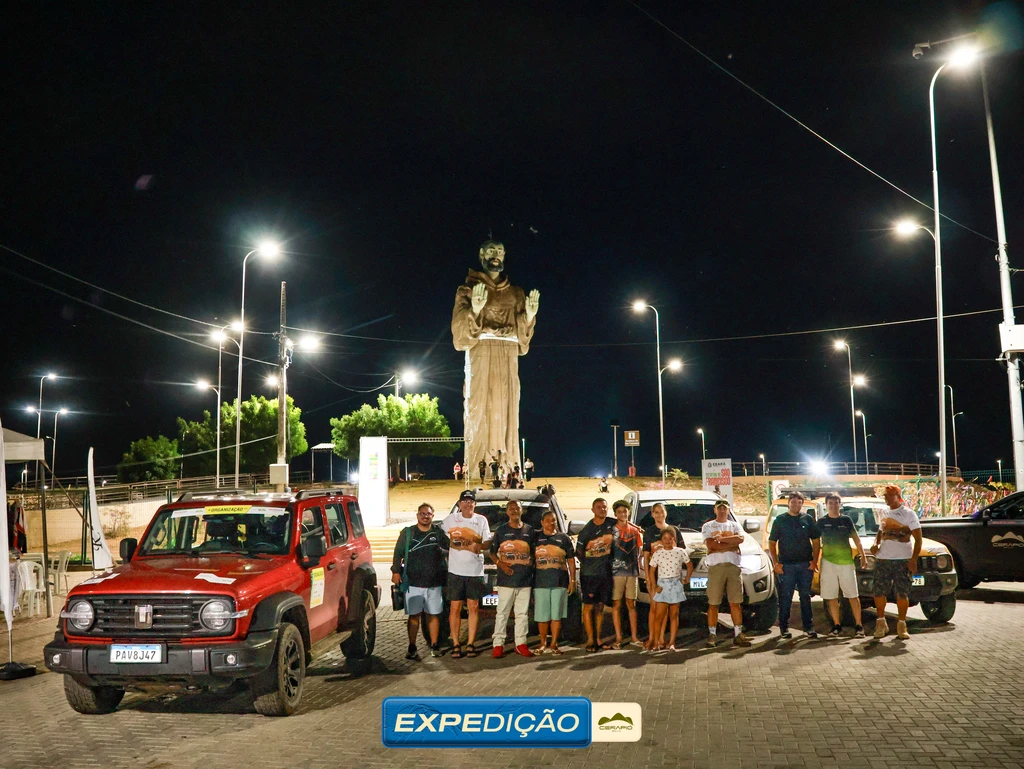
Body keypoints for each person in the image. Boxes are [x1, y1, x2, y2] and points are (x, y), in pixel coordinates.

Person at [451, 239, 540, 479]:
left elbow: (523, 343)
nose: (496, 255)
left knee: (508, 408)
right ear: (481, 254)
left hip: (509, 355)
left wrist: (529, 317)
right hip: (480, 353)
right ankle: (478, 467)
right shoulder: (467, 289)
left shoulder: (516, 293)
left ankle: (509, 467)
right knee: (479, 406)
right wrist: (476, 311)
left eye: (500, 251)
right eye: (491, 251)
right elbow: (459, 336)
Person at [391, 503, 449, 660]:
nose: (425, 516)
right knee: (414, 616)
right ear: (417, 515)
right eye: (422, 514)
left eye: (428, 514)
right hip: (413, 583)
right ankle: (412, 646)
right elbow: (398, 553)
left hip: (434, 583)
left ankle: (434, 645)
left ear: (433, 516)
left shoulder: (438, 533)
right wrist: (396, 571)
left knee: (434, 615)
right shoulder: (408, 533)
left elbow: (451, 547)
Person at [440, 489, 492, 658]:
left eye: (471, 501)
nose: (468, 504)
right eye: (465, 501)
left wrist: (481, 547)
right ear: (459, 504)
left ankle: (470, 643)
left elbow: (488, 541)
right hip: (455, 571)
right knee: (455, 608)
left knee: (473, 607)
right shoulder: (451, 519)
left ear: (474, 504)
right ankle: (456, 644)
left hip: (475, 571)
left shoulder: (481, 520)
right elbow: (439, 534)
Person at [870, 484, 922, 640]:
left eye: (888, 495)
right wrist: (875, 544)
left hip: (902, 559)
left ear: (897, 496)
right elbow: (881, 531)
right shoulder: (885, 512)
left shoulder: (909, 514)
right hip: (883, 558)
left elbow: (918, 538)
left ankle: (901, 624)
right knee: (879, 591)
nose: (885, 498)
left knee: (902, 592)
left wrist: (913, 559)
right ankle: (881, 623)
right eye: (884, 495)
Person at [768, 492, 822, 639]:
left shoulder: (808, 519)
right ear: (788, 503)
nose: (796, 505)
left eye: (799, 502)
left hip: (805, 565)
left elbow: (816, 541)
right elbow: (772, 543)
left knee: (805, 596)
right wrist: (776, 564)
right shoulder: (780, 520)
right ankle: (784, 627)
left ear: (802, 504)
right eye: (793, 502)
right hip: (786, 567)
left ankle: (808, 627)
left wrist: (814, 561)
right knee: (786, 597)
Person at [489, 500, 536, 658]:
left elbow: (535, 553)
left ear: (522, 511)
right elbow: (492, 553)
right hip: (506, 581)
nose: (515, 511)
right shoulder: (501, 531)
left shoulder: (530, 530)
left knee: (522, 614)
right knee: (502, 613)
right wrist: (500, 564)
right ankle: (498, 645)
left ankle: (521, 644)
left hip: (524, 581)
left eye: (517, 508)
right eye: (511, 509)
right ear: (507, 512)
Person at [701, 500, 751, 647]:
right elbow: (710, 544)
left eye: (725, 508)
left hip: (733, 567)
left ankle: (738, 633)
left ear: (729, 510)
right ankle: (712, 634)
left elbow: (740, 539)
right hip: (716, 567)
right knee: (713, 603)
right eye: (719, 508)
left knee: (735, 602)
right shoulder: (708, 526)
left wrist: (721, 540)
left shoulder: (734, 525)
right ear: (715, 510)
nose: (722, 511)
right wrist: (731, 544)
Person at [818, 492, 867, 638]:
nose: (833, 506)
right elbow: (815, 542)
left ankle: (858, 626)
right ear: (826, 505)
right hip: (828, 562)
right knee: (831, 596)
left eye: (836, 503)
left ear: (840, 505)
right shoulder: (821, 522)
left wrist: (863, 556)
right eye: (830, 503)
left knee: (852, 594)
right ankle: (836, 626)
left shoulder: (846, 520)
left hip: (846, 562)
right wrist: (814, 560)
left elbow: (857, 540)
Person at [574, 498, 616, 652]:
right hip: (589, 575)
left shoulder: (612, 523)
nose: (602, 510)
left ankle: (598, 638)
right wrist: (591, 563)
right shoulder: (587, 530)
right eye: (599, 507)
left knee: (600, 607)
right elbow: (579, 553)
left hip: (605, 574)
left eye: (604, 507)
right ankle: (590, 639)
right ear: (593, 510)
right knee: (589, 607)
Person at [642, 503, 685, 649]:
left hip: (672, 579)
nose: (659, 514)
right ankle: (652, 638)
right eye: (656, 512)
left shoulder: (674, 531)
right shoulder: (648, 532)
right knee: (654, 609)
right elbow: (646, 556)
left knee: (667, 610)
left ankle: (661, 639)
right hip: (657, 577)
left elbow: (681, 553)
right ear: (652, 514)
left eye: (662, 512)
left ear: (665, 513)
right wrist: (648, 578)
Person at [533, 509, 575, 654]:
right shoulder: (536, 538)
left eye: (554, 520)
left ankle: (554, 643)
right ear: (542, 523)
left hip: (559, 581)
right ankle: (543, 643)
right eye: (548, 520)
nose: (552, 523)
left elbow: (570, 560)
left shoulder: (564, 538)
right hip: (541, 582)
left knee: (556, 615)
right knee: (542, 615)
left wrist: (573, 580)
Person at [647, 527, 692, 651]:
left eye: (670, 538)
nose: (667, 541)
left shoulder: (680, 551)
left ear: (674, 539)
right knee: (659, 616)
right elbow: (652, 570)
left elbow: (689, 565)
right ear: (661, 540)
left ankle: (672, 642)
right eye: (664, 538)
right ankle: (656, 642)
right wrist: (655, 585)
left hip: (676, 584)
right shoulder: (658, 553)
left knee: (674, 614)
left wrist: (686, 579)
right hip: (663, 585)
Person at [610, 500, 643, 649]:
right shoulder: (611, 530)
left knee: (631, 604)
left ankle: (634, 636)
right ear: (615, 514)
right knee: (616, 604)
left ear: (629, 512)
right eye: (619, 512)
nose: (623, 514)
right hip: (616, 571)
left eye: (625, 511)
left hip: (632, 571)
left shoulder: (635, 531)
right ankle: (618, 637)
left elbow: (641, 551)